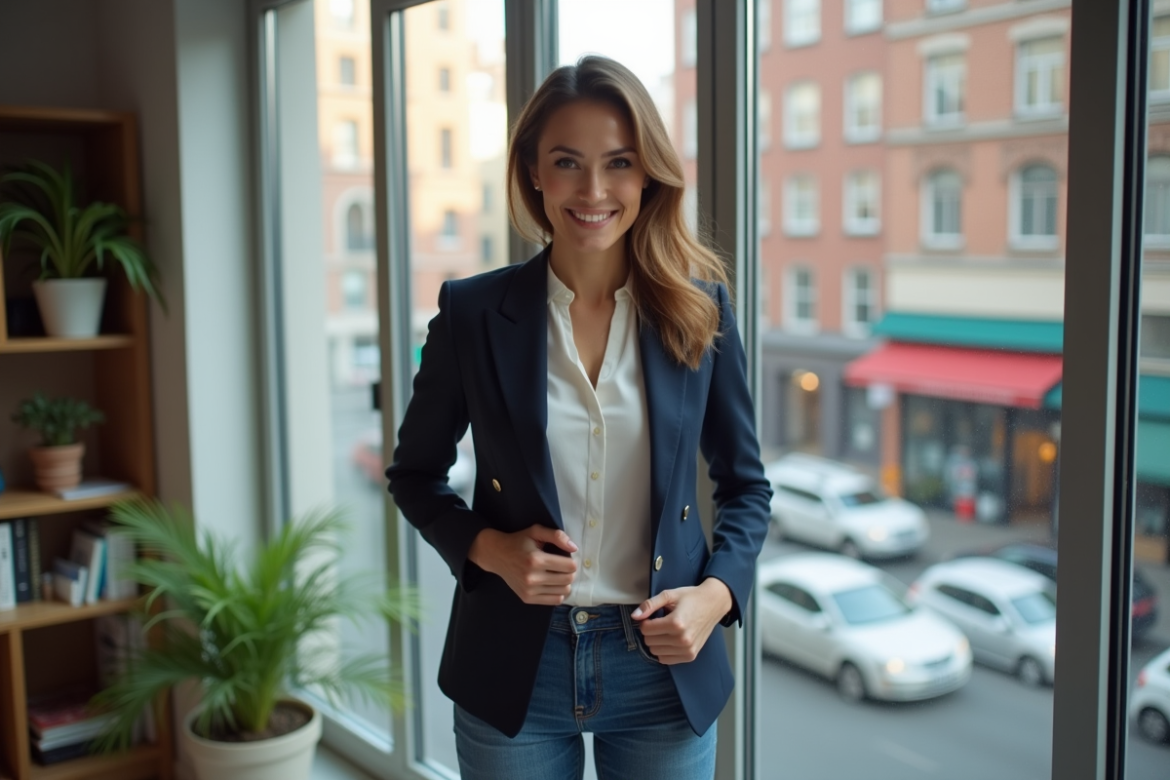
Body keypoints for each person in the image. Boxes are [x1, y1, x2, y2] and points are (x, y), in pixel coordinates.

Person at [386, 55, 771, 780]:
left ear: (648, 173)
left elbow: (746, 487)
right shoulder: (472, 313)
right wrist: (490, 551)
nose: (593, 191)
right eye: (568, 162)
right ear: (533, 169)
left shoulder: (701, 311)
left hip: (662, 663)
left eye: (619, 163)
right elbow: (415, 475)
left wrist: (716, 598)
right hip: (513, 666)